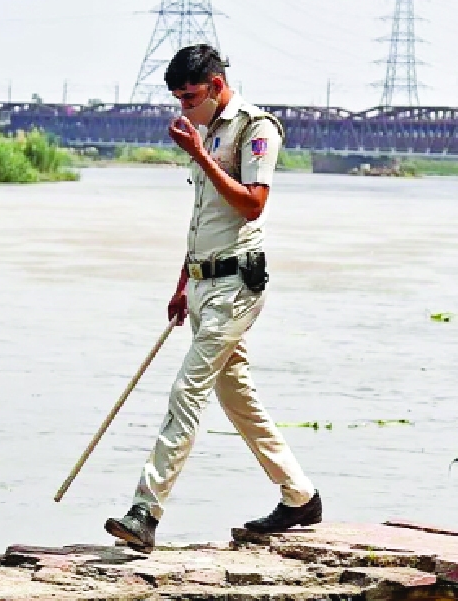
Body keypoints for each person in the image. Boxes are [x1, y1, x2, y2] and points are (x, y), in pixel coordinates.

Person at [104, 44, 322, 551]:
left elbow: (252, 205)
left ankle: (145, 512)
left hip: (237, 285)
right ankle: (299, 495)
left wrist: (200, 154)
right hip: (204, 284)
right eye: (178, 99)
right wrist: (183, 283)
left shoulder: (254, 129)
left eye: (190, 97)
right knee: (237, 396)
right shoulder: (207, 130)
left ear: (217, 86)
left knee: (188, 390)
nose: (184, 108)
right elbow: (202, 217)